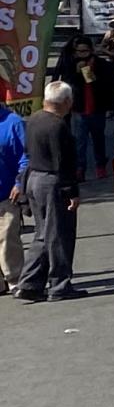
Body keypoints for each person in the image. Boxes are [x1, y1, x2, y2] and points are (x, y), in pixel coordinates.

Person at [17, 80, 82, 301]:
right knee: (59, 234)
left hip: (34, 178)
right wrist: (71, 191)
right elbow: (63, 162)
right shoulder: (58, 126)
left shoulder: (34, 119)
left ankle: (30, 283)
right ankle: (59, 284)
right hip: (52, 181)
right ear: (66, 102)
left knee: (42, 233)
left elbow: (28, 152)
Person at [55, 36, 114, 181]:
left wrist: (86, 71)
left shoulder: (101, 64)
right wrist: (76, 73)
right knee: (79, 141)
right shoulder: (70, 64)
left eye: (85, 51)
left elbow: (104, 85)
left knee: (98, 139)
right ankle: (80, 169)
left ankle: (100, 166)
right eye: (79, 51)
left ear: (91, 50)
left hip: (97, 108)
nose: (82, 54)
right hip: (79, 109)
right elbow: (66, 84)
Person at [0, 103, 25, 295]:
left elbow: (26, 156)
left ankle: (15, 278)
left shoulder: (13, 122)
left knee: (8, 237)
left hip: (7, 193)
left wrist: (19, 183)